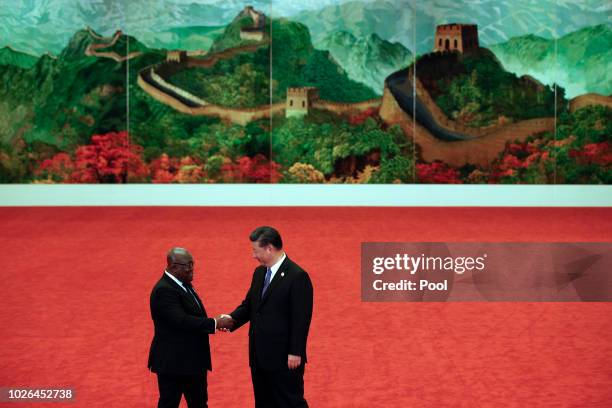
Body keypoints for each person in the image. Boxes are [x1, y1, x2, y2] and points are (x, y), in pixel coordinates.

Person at [227, 226, 313, 407]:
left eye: (255, 251)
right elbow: (250, 305)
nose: (253, 256)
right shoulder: (259, 273)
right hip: (259, 355)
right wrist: (229, 319)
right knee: (264, 402)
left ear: (269, 248)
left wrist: (296, 351)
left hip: (285, 359)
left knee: (290, 402)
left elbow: (301, 319)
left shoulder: (297, 276)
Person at [148, 247, 234, 408]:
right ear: (173, 267)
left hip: (192, 362)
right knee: (169, 403)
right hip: (173, 363)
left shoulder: (182, 283)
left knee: (199, 403)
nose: (191, 269)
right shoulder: (163, 290)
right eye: (187, 265)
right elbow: (181, 321)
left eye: (192, 264)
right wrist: (214, 323)